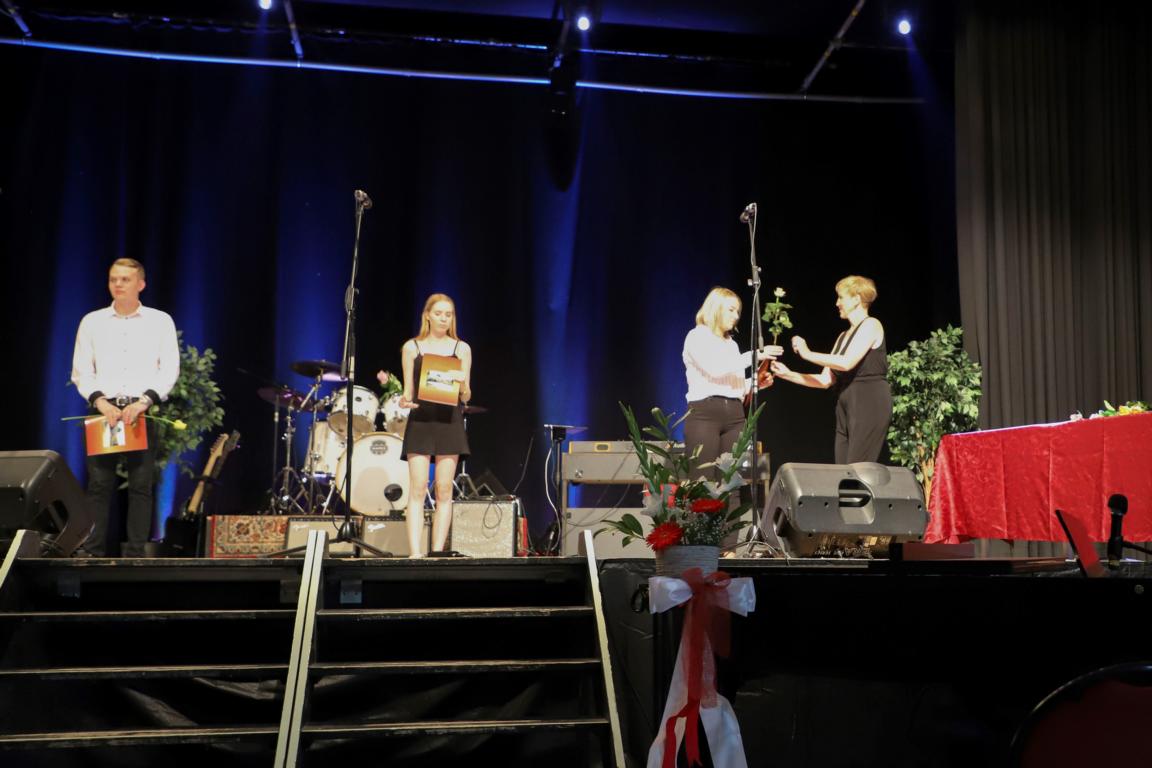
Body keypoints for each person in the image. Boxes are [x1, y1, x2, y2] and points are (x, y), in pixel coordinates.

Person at [71, 258, 180, 556]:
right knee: (98, 484)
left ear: (141, 284)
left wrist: (145, 401)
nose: (118, 284)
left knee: (141, 485)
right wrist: (100, 401)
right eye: (113, 279)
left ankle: (134, 555)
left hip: (141, 411)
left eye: (125, 279)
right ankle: (93, 552)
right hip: (103, 410)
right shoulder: (92, 321)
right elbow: (82, 370)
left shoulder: (160, 321)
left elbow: (169, 369)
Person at [771, 275, 892, 464]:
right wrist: (787, 374)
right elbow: (825, 380)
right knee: (842, 469)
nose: (837, 303)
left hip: (869, 401)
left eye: (841, 297)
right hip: (846, 404)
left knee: (857, 469)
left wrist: (807, 353)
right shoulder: (843, 336)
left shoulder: (871, 325)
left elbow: (846, 362)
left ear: (856, 299)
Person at [397, 293, 472, 558]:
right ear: (427, 315)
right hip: (421, 421)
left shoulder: (461, 348)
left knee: (443, 489)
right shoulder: (412, 347)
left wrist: (462, 383)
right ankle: (415, 553)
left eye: (448, 314)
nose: (443, 318)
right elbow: (408, 391)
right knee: (418, 487)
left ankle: (437, 552)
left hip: (449, 422)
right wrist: (404, 401)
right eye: (438, 313)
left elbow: (466, 396)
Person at [682, 287, 782, 480]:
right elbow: (715, 369)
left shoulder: (732, 344)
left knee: (730, 482)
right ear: (715, 308)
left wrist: (755, 382)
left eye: (738, 311)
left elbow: (733, 386)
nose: (736, 316)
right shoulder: (696, 336)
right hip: (705, 414)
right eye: (731, 310)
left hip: (735, 417)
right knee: (702, 480)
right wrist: (755, 355)